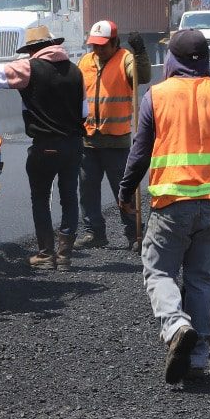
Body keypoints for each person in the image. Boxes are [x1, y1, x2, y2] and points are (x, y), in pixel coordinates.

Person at [118, 29, 210, 383]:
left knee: (159, 270)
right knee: (202, 276)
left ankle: (176, 326)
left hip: (170, 201)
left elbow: (140, 152)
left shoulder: (156, 96)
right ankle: (198, 357)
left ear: (173, 60)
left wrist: (125, 190)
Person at [0, 24, 87, 270]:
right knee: (69, 197)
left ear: (35, 49)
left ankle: (45, 255)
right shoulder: (76, 71)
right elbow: (84, 112)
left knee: (41, 199)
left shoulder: (29, 68)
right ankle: (65, 256)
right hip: (74, 145)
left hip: (45, 146)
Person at [76, 19, 152, 250]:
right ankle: (94, 233)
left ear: (114, 42)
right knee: (87, 190)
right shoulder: (85, 62)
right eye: (94, 45)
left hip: (117, 140)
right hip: (88, 139)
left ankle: (135, 234)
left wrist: (140, 52)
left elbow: (142, 76)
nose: (97, 50)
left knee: (124, 190)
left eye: (102, 45)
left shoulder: (126, 59)